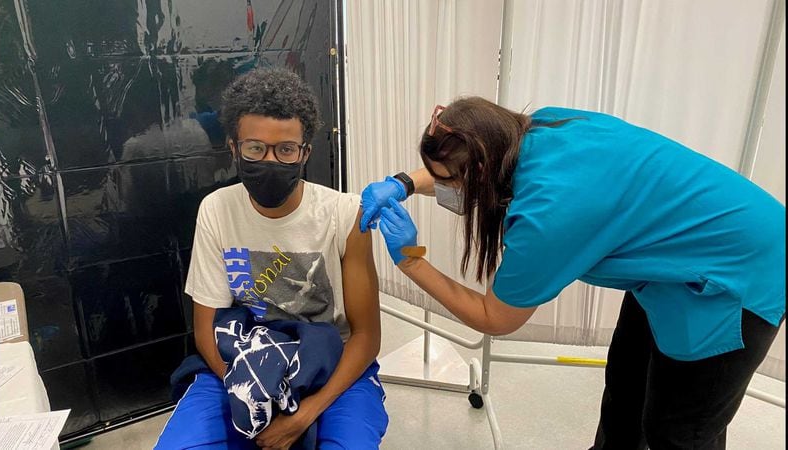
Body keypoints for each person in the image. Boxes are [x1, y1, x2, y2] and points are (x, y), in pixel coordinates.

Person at [361, 97, 785, 449]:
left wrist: (411, 260)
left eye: (448, 182)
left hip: (741, 274)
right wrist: (405, 183)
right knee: (626, 391)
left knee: (678, 430)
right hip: (676, 262)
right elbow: (463, 167)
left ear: (481, 176)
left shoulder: (548, 215)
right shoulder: (539, 127)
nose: (446, 190)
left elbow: (495, 318)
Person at [157, 68, 388, 450]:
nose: (269, 160)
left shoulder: (346, 215)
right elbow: (205, 330)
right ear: (234, 148)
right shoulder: (217, 210)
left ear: (305, 152)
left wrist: (303, 414)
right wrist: (250, 398)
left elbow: (365, 336)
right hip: (241, 360)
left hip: (335, 365)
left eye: (285, 149)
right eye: (254, 148)